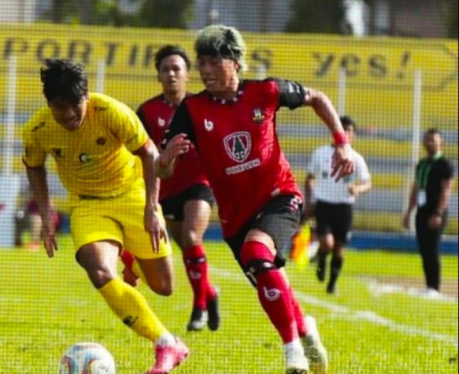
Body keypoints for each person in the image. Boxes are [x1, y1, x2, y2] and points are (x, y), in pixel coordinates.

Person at [157, 24, 355, 374]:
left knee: (258, 255)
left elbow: (318, 98)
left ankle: (292, 352)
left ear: (235, 61)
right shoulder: (192, 108)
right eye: (201, 63)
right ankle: (306, 330)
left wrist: (342, 143)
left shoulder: (266, 91)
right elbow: (162, 171)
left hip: (279, 197)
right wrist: (166, 160)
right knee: (267, 275)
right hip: (235, 217)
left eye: (213, 62)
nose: (204, 71)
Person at [22, 58, 188, 374]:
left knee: (164, 286)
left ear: (86, 96)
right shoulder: (37, 129)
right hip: (88, 206)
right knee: (99, 271)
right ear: (49, 104)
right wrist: (46, 214)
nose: (69, 114)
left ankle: (130, 258)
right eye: (60, 107)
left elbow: (149, 153)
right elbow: (33, 165)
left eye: (75, 105)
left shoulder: (111, 112)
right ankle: (166, 342)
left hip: (132, 195)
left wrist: (152, 207)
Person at [131, 44, 220, 332]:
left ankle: (199, 308)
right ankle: (210, 292)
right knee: (186, 247)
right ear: (158, 76)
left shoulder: (204, 106)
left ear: (187, 75)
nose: (171, 74)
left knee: (193, 236)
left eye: (176, 68)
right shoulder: (147, 111)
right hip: (165, 189)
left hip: (199, 185)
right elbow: (139, 151)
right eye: (165, 69)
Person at [305, 115, 372, 294]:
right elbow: (310, 178)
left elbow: (367, 182)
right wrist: (310, 200)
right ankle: (321, 259)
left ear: (354, 135)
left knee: (340, 247)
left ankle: (332, 284)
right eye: (343, 130)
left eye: (350, 131)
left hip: (344, 207)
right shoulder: (321, 153)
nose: (346, 134)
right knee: (327, 243)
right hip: (324, 204)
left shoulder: (356, 158)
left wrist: (358, 189)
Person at [403, 128, 455, 297]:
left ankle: (435, 287)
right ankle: (428, 285)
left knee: (432, 248)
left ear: (441, 143)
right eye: (427, 140)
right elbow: (417, 187)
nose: (430, 143)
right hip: (422, 210)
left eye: (433, 140)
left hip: (435, 211)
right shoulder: (422, 163)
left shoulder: (444, 165)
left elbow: (447, 190)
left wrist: (438, 213)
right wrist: (409, 212)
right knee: (423, 248)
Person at [14, 186, 61, 250]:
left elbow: (54, 217)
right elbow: (23, 211)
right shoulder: (29, 201)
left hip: (45, 224)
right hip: (30, 222)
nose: (32, 194)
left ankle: (35, 243)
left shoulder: (47, 202)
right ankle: (17, 240)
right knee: (18, 219)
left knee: (36, 219)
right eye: (32, 192)